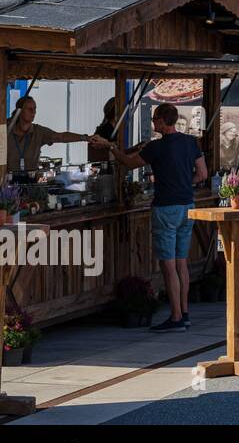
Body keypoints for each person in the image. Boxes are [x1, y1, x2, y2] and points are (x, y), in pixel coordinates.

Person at [101, 103, 206, 332]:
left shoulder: (156, 147)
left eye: (154, 120)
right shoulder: (191, 143)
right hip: (188, 206)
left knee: (168, 266)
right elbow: (202, 174)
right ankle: (185, 313)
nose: (152, 124)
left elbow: (128, 163)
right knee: (181, 263)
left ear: (161, 121)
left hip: (166, 208)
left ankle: (176, 317)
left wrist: (111, 147)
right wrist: (183, 183)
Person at [8, 95, 97, 177]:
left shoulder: (38, 131)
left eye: (35, 109)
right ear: (19, 111)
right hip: (6, 183)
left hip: (30, 182)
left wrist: (85, 138)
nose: (33, 112)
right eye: (29, 109)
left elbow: (60, 137)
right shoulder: (6, 129)